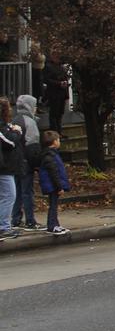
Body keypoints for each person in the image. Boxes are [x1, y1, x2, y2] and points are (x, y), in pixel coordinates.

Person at [11, 95, 42, 231]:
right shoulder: (30, 122)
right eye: (34, 106)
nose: (36, 108)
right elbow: (32, 146)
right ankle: (30, 221)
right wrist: (36, 164)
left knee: (16, 191)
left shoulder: (14, 120)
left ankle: (16, 219)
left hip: (14, 162)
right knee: (27, 192)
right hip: (26, 163)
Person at [0, 97, 25, 240]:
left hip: (7, 166)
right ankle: (3, 226)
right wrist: (17, 132)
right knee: (9, 195)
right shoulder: (3, 126)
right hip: (4, 168)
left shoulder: (5, 125)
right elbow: (9, 142)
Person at [38, 131, 70, 235]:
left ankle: (55, 224)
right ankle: (52, 225)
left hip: (52, 185)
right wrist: (59, 186)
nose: (59, 142)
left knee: (54, 205)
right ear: (54, 142)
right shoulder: (50, 156)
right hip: (53, 185)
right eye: (58, 140)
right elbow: (54, 173)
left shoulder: (51, 154)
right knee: (53, 205)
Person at [42, 54, 70, 136]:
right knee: (54, 113)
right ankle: (54, 132)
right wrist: (59, 83)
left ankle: (59, 131)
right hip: (53, 93)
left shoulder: (61, 66)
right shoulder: (48, 66)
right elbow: (47, 79)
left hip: (62, 93)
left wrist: (66, 92)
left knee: (60, 113)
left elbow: (65, 78)